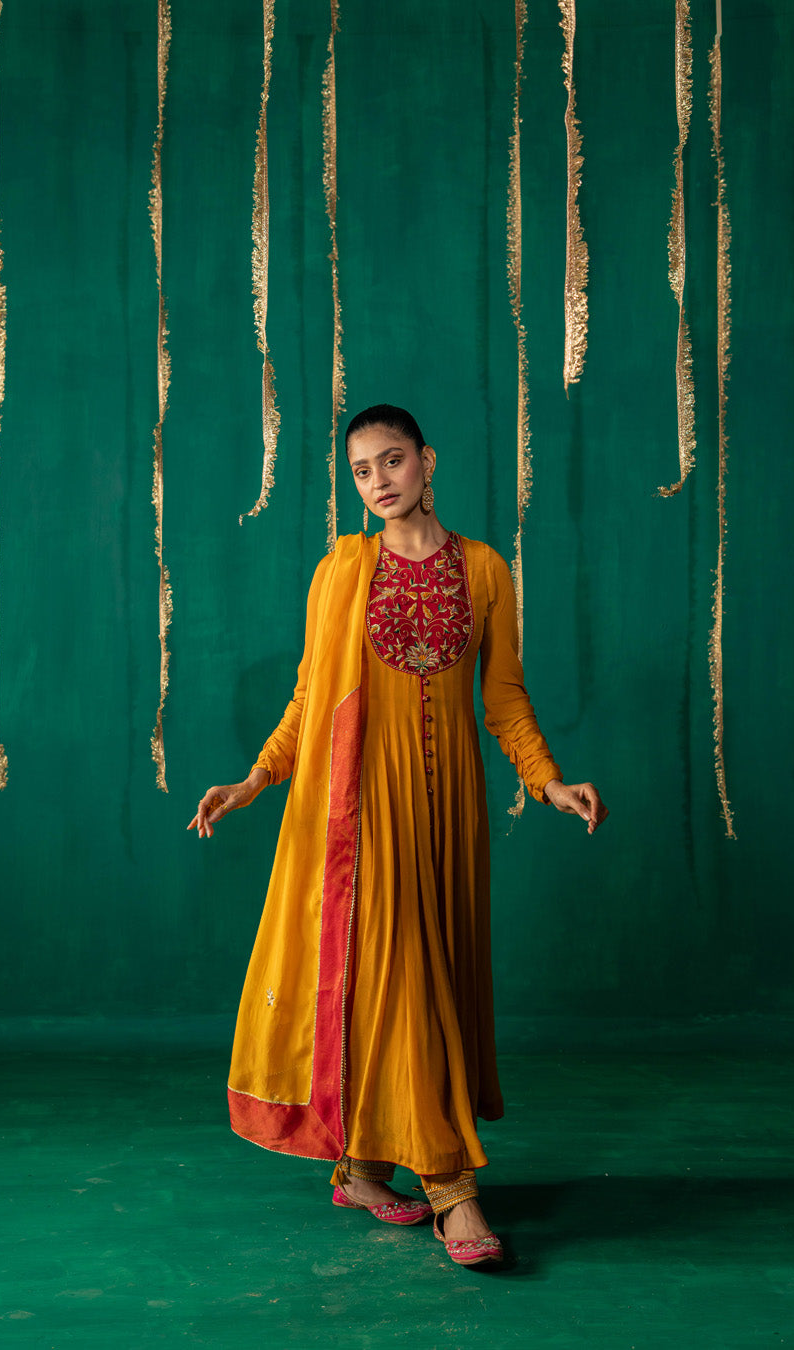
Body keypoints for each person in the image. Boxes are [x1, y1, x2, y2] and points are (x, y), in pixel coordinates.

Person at [189, 404, 608, 1269]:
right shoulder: (342, 568)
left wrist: (547, 780)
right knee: (401, 970)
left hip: (449, 807)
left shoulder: (485, 570)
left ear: (428, 462)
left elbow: (504, 698)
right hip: (361, 809)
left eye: (392, 462)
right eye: (362, 471)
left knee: (429, 980)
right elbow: (311, 696)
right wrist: (256, 778)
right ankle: (455, 1190)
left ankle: (364, 1166)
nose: (378, 482)